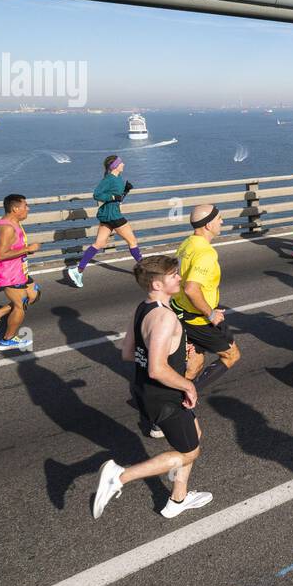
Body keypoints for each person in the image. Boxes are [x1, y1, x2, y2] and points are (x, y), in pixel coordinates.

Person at [92, 254, 213, 521]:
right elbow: (157, 369)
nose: (179, 278)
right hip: (164, 396)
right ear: (158, 284)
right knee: (190, 451)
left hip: (145, 391)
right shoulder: (163, 317)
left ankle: (178, 499)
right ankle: (120, 476)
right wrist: (188, 385)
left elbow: (127, 352)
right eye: (174, 276)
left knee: (195, 431)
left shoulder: (143, 307)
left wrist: (176, 350)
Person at [171, 204, 241, 389]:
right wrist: (210, 313)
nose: (222, 221)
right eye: (219, 219)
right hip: (199, 319)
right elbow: (191, 289)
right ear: (208, 225)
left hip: (181, 311)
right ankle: (188, 395)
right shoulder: (206, 253)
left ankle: (171, 396)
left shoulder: (187, 243)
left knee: (195, 364)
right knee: (231, 355)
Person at [68, 155, 142, 288]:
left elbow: (117, 199)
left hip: (108, 216)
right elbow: (97, 194)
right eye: (121, 163)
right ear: (115, 166)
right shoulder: (108, 179)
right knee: (132, 242)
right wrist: (113, 196)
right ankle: (144, 270)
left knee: (99, 243)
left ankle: (78, 270)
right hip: (114, 216)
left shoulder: (118, 178)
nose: (123, 164)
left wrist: (125, 191)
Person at [0, 194, 42, 351]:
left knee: (34, 295)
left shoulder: (14, 222)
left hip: (19, 270)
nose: (28, 208)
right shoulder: (7, 228)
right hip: (8, 273)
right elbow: (0, 255)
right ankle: (7, 340)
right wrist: (27, 249)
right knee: (20, 306)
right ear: (15, 208)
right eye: (25, 205)